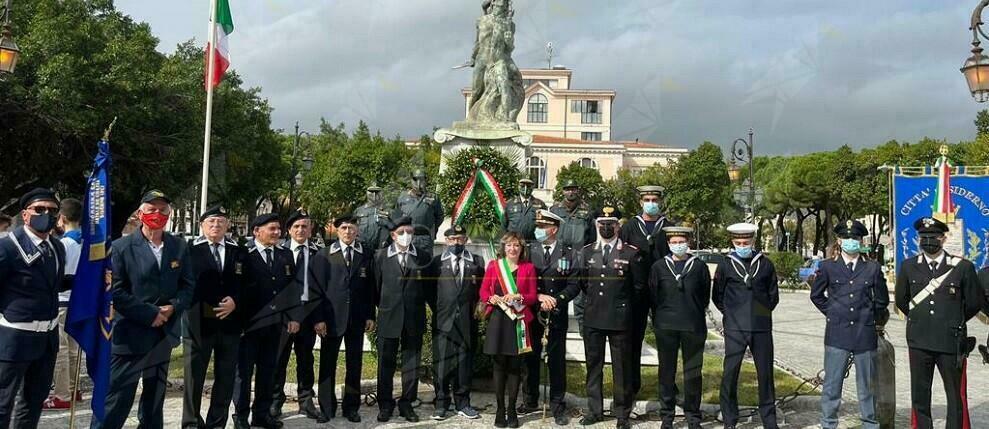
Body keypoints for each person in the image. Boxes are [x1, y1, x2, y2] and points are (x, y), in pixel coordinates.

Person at [98, 190, 195, 429]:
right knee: (117, 399)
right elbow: (115, 291)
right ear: (140, 213)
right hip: (130, 335)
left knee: (154, 401)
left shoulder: (179, 246)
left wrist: (173, 307)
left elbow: (188, 285)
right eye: (152, 209)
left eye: (163, 210)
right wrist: (150, 314)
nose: (157, 214)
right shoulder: (121, 247)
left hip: (163, 336)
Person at [561, 206, 647, 429]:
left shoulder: (631, 252)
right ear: (597, 226)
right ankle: (595, 410)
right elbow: (582, 283)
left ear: (618, 226)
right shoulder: (588, 252)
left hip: (620, 320)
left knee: (622, 368)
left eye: (611, 224)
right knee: (594, 366)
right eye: (602, 224)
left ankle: (622, 413)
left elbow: (638, 288)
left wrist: (624, 309)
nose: (607, 227)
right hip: (594, 317)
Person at [894, 217, 983, 429]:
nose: (928, 241)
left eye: (933, 237)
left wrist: (952, 321)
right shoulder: (908, 267)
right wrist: (923, 319)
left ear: (943, 238)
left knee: (954, 397)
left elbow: (973, 302)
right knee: (920, 395)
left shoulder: (962, 267)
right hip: (919, 341)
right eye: (923, 237)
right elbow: (901, 300)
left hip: (950, 341)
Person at [810, 220, 889, 429]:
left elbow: (882, 300)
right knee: (832, 385)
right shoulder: (827, 266)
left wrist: (869, 317)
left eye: (855, 238)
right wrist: (833, 312)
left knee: (866, 387)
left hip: (865, 334)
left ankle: (869, 423)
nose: (851, 242)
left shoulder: (872, 268)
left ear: (861, 241)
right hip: (837, 334)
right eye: (846, 238)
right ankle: (828, 423)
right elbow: (816, 295)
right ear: (839, 240)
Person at [0, 188, 68, 428]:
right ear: (25, 214)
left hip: (46, 338)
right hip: (15, 337)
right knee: (3, 403)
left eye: (52, 210)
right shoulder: (7, 247)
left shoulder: (57, 247)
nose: (46, 214)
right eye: (40, 209)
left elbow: (54, 283)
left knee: (33, 402)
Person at [232, 213, 301, 429]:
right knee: (243, 374)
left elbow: (292, 289)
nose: (277, 233)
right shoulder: (243, 254)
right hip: (249, 325)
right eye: (272, 229)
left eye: (278, 229)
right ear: (256, 231)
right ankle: (241, 417)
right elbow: (236, 290)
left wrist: (293, 317)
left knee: (267, 371)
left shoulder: (285, 254)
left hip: (275, 325)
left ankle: (262, 414)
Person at [308, 214, 376, 423]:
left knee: (354, 364)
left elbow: (370, 289)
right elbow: (314, 290)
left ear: (357, 230)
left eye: (351, 228)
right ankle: (326, 408)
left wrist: (370, 315)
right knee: (328, 364)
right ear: (337, 231)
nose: (348, 231)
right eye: (344, 228)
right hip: (330, 320)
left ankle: (351, 407)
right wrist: (318, 319)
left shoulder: (365, 254)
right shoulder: (324, 255)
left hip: (356, 319)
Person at [713, 222, 780, 429]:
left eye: (746, 242)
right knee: (730, 373)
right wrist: (732, 314)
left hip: (761, 328)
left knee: (765, 374)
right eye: (738, 242)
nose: (742, 245)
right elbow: (718, 296)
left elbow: (772, 296)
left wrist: (759, 313)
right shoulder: (725, 264)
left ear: (753, 241)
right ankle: (729, 419)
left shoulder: (766, 264)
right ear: (732, 242)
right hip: (735, 328)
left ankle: (769, 420)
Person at [181, 205, 243, 429]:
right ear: (202, 225)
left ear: (227, 225)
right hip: (198, 323)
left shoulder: (238, 250)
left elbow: (248, 283)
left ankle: (217, 423)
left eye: (221, 221)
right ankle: (191, 422)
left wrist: (236, 301)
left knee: (226, 377)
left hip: (230, 324)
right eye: (211, 221)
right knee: (194, 378)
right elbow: (184, 285)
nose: (216, 225)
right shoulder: (189, 250)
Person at [517, 209, 579, 425]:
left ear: (554, 229)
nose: (538, 230)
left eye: (542, 227)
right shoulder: (528, 251)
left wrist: (557, 299)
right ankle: (530, 400)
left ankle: (557, 405)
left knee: (556, 361)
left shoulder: (568, 253)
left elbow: (574, 285)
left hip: (556, 313)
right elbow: (521, 279)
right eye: (538, 226)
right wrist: (538, 296)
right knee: (529, 358)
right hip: (531, 312)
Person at [648, 226, 710, 429]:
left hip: (692, 325)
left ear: (688, 242)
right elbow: (654, 296)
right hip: (666, 326)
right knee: (666, 372)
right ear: (668, 244)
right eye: (673, 242)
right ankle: (667, 416)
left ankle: (693, 416)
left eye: (680, 241)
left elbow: (703, 297)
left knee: (692, 371)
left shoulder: (699, 266)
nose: (677, 245)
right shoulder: (658, 266)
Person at [425, 224, 485, 421]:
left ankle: (463, 402)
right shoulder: (436, 263)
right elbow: (430, 292)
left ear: (465, 240)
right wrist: (442, 309)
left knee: (464, 362)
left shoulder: (476, 261)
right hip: (443, 321)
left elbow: (481, 291)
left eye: (459, 239)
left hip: (467, 321)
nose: (456, 243)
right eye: (452, 239)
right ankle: (441, 403)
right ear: (446, 241)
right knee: (442, 362)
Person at [374, 217, 430, 423]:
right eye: (401, 232)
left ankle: (407, 403)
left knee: (411, 363)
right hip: (389, 317)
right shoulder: (380, 256)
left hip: (414, 318)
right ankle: (385, 404)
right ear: (393, 235)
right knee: (385, 364)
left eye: (410, 231)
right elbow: (376, 288)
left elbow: (427, 290)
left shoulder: (423, 256)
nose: (406, 236)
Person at [619, 184, 672, 401]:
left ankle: (668, 388)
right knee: (633, 338)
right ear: (641, 202)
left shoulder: (669, 228)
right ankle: (632, 385)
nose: (651, 204)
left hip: (663, 292)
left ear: (660, 202)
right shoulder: (630, 227)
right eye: (647, 200)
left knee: (666, 340)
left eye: (655, 200)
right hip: (636, 291)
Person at [479, 231, 537, 428]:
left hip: (517, 321)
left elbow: (532, 296)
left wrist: (519, 297)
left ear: (522, 249)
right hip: (498, 319)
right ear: (503, 247)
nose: (513, 249)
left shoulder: (528, 268)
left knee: (514, 367)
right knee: (498, 365)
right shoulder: (494, 266)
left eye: (517, 246)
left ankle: (512, 409)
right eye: (509, 245)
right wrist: (491, 298)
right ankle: (500, 409)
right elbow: (484, 290)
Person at [271, 210, 321, 421]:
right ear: (289, 230)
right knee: (278, 359)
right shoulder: (280, 252)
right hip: (284, 316)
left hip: (309, 313)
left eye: (305, 226)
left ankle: (306, 400)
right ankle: (275, 401)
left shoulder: (319, 253)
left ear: (310, 229)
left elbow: (322, 288)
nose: (301, 230)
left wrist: (320, 317)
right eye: (297, 227)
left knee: (306, 359)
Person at [44, 198, 82, 409]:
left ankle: (61, 394)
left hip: (61, 301)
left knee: (60, 350)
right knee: (74, 349)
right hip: (78, 302)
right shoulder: (86, 242)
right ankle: (73, 389)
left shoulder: (62, 244)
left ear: (62, 218)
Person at [395, 170, 444, 257]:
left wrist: (431, 230)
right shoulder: (403, 197)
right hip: (407, 237)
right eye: (415, 179)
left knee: (425, 265)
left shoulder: (433, 197)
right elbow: (397, 217)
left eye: (422, 179)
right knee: (406, 264)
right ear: (411, 180)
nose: (418, 182)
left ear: (426, 180)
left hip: (425, 238)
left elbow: (439, 217)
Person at [355, 184, 393, 250]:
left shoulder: (389, 211)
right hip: (363, 248)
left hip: (382, 249)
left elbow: (395, 229)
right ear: (367, 192)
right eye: (371, 191)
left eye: (377, 192)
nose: (374, 194)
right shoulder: (359, 211)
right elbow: (353, 227)